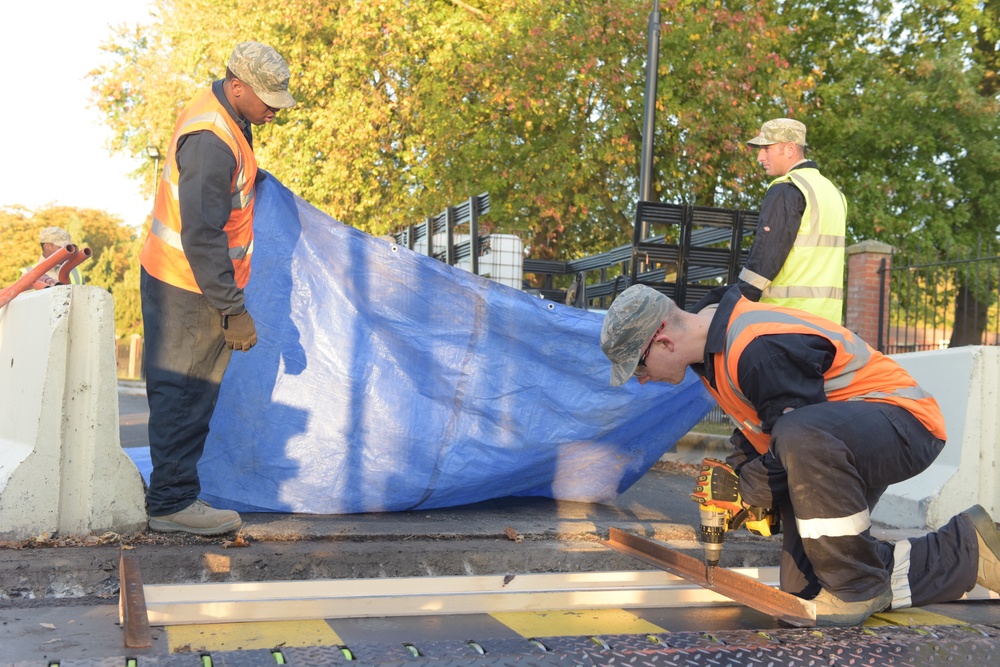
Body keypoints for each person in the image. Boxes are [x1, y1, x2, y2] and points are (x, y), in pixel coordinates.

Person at [599, 283, 1000, 626]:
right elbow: (765, 429)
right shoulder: (712, 356)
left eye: (638, 366)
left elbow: (798, 435)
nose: (642, 377)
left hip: (903, 423)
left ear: (663, 340)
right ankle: (964, 551)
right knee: (806, 587)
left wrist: (747, 493)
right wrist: (739, 473)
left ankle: (858, 587)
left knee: (800, 445)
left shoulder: (756, 347)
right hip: (840, 437)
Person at [138, 41, 296, 535]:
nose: (274, 110)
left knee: (189, 391)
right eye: (267, 100)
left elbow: (220, 196)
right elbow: (202, 235)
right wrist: (233, 310)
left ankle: (173, 494)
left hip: (186, 279)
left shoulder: (226, 120)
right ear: (237, 86)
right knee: (185, 392)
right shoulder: (211, 140)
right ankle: (171, 504)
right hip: (188, 284)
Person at [738, 118, 846, 323]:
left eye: (766, 148)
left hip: (784, 321)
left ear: (789, 150)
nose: (760, 157)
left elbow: (766, 256)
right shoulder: (833, 193)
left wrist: (737, 302)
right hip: (827, 324)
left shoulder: (787, 188)